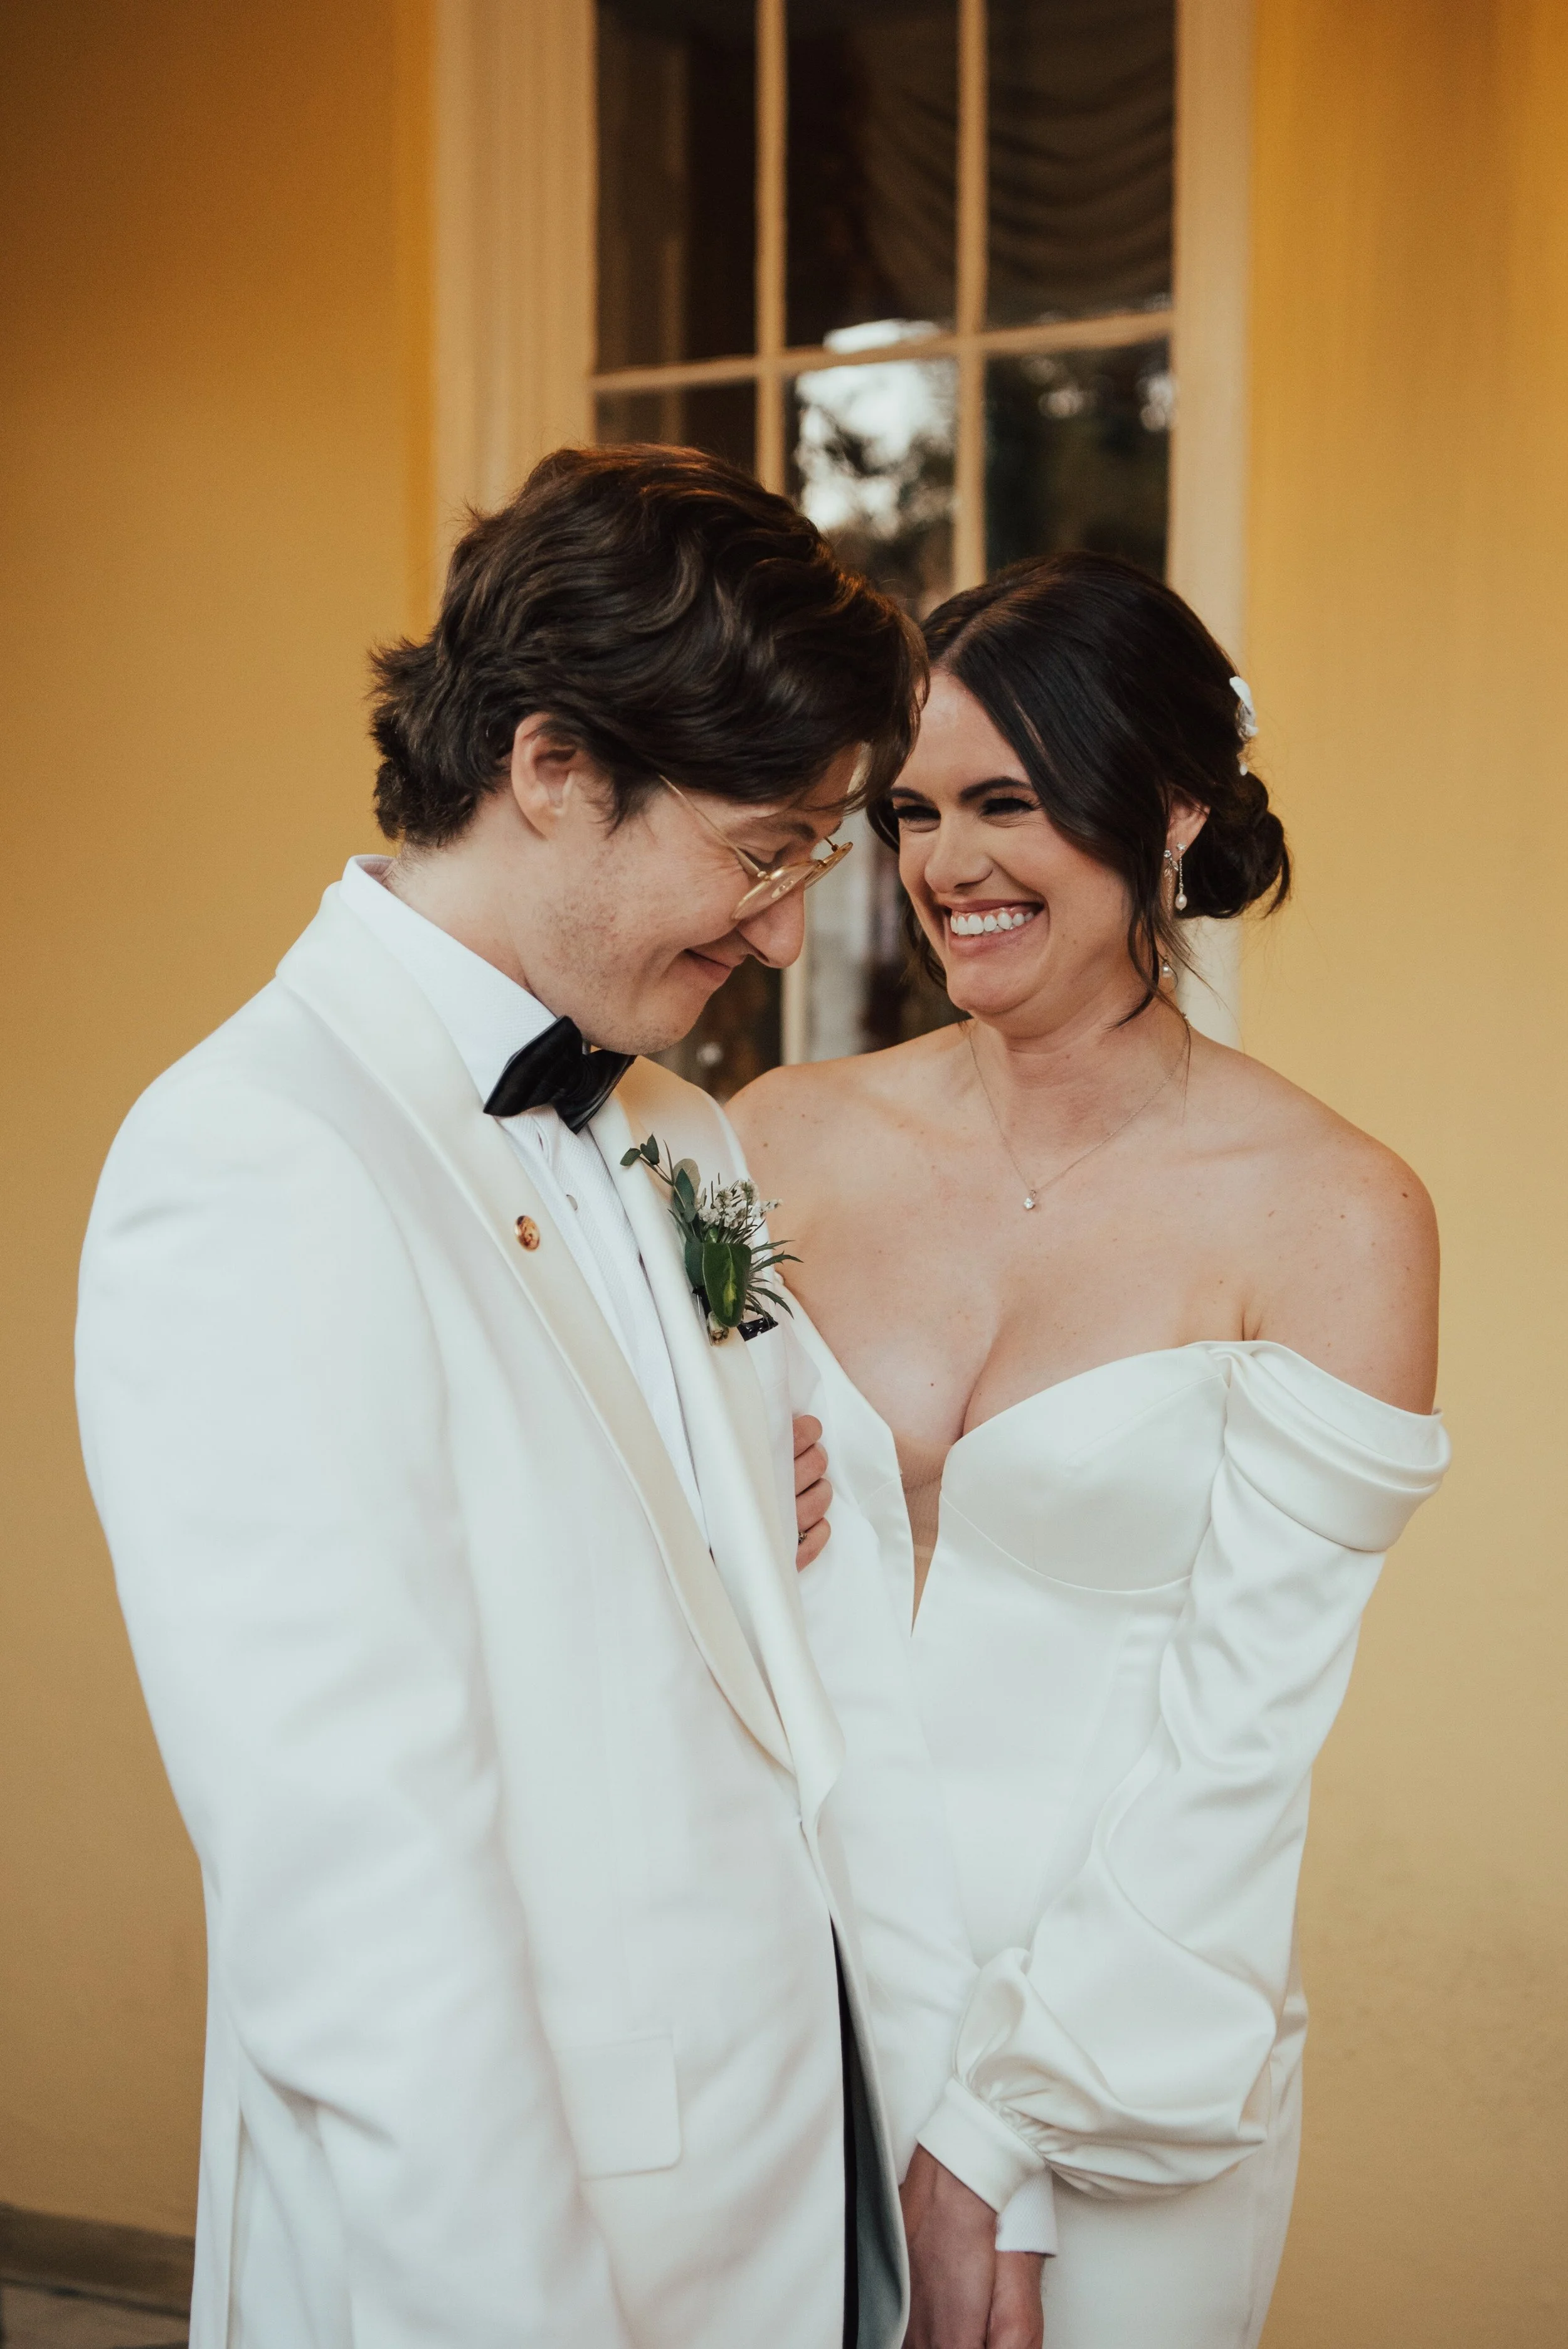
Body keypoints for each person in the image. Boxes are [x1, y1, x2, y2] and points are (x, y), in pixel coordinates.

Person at [75, 445, 931, 2349]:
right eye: (761, 845)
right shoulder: (253, 1159)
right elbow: (352, 1884)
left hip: (802, 2170)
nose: (788, 929)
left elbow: (766, 1528)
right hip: (534, 2241)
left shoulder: (684, 1136)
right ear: (553, 767)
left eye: (815, 854)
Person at [731, 551, 1451, 2349]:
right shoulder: (771, 1144)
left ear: (1169, 811)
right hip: (777, 2001)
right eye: (910, 812)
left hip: (1130, 2039)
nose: (945, 866)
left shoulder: (1336, 1214)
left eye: (1009, 804)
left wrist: (997, 2130)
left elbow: (1242, 1751)